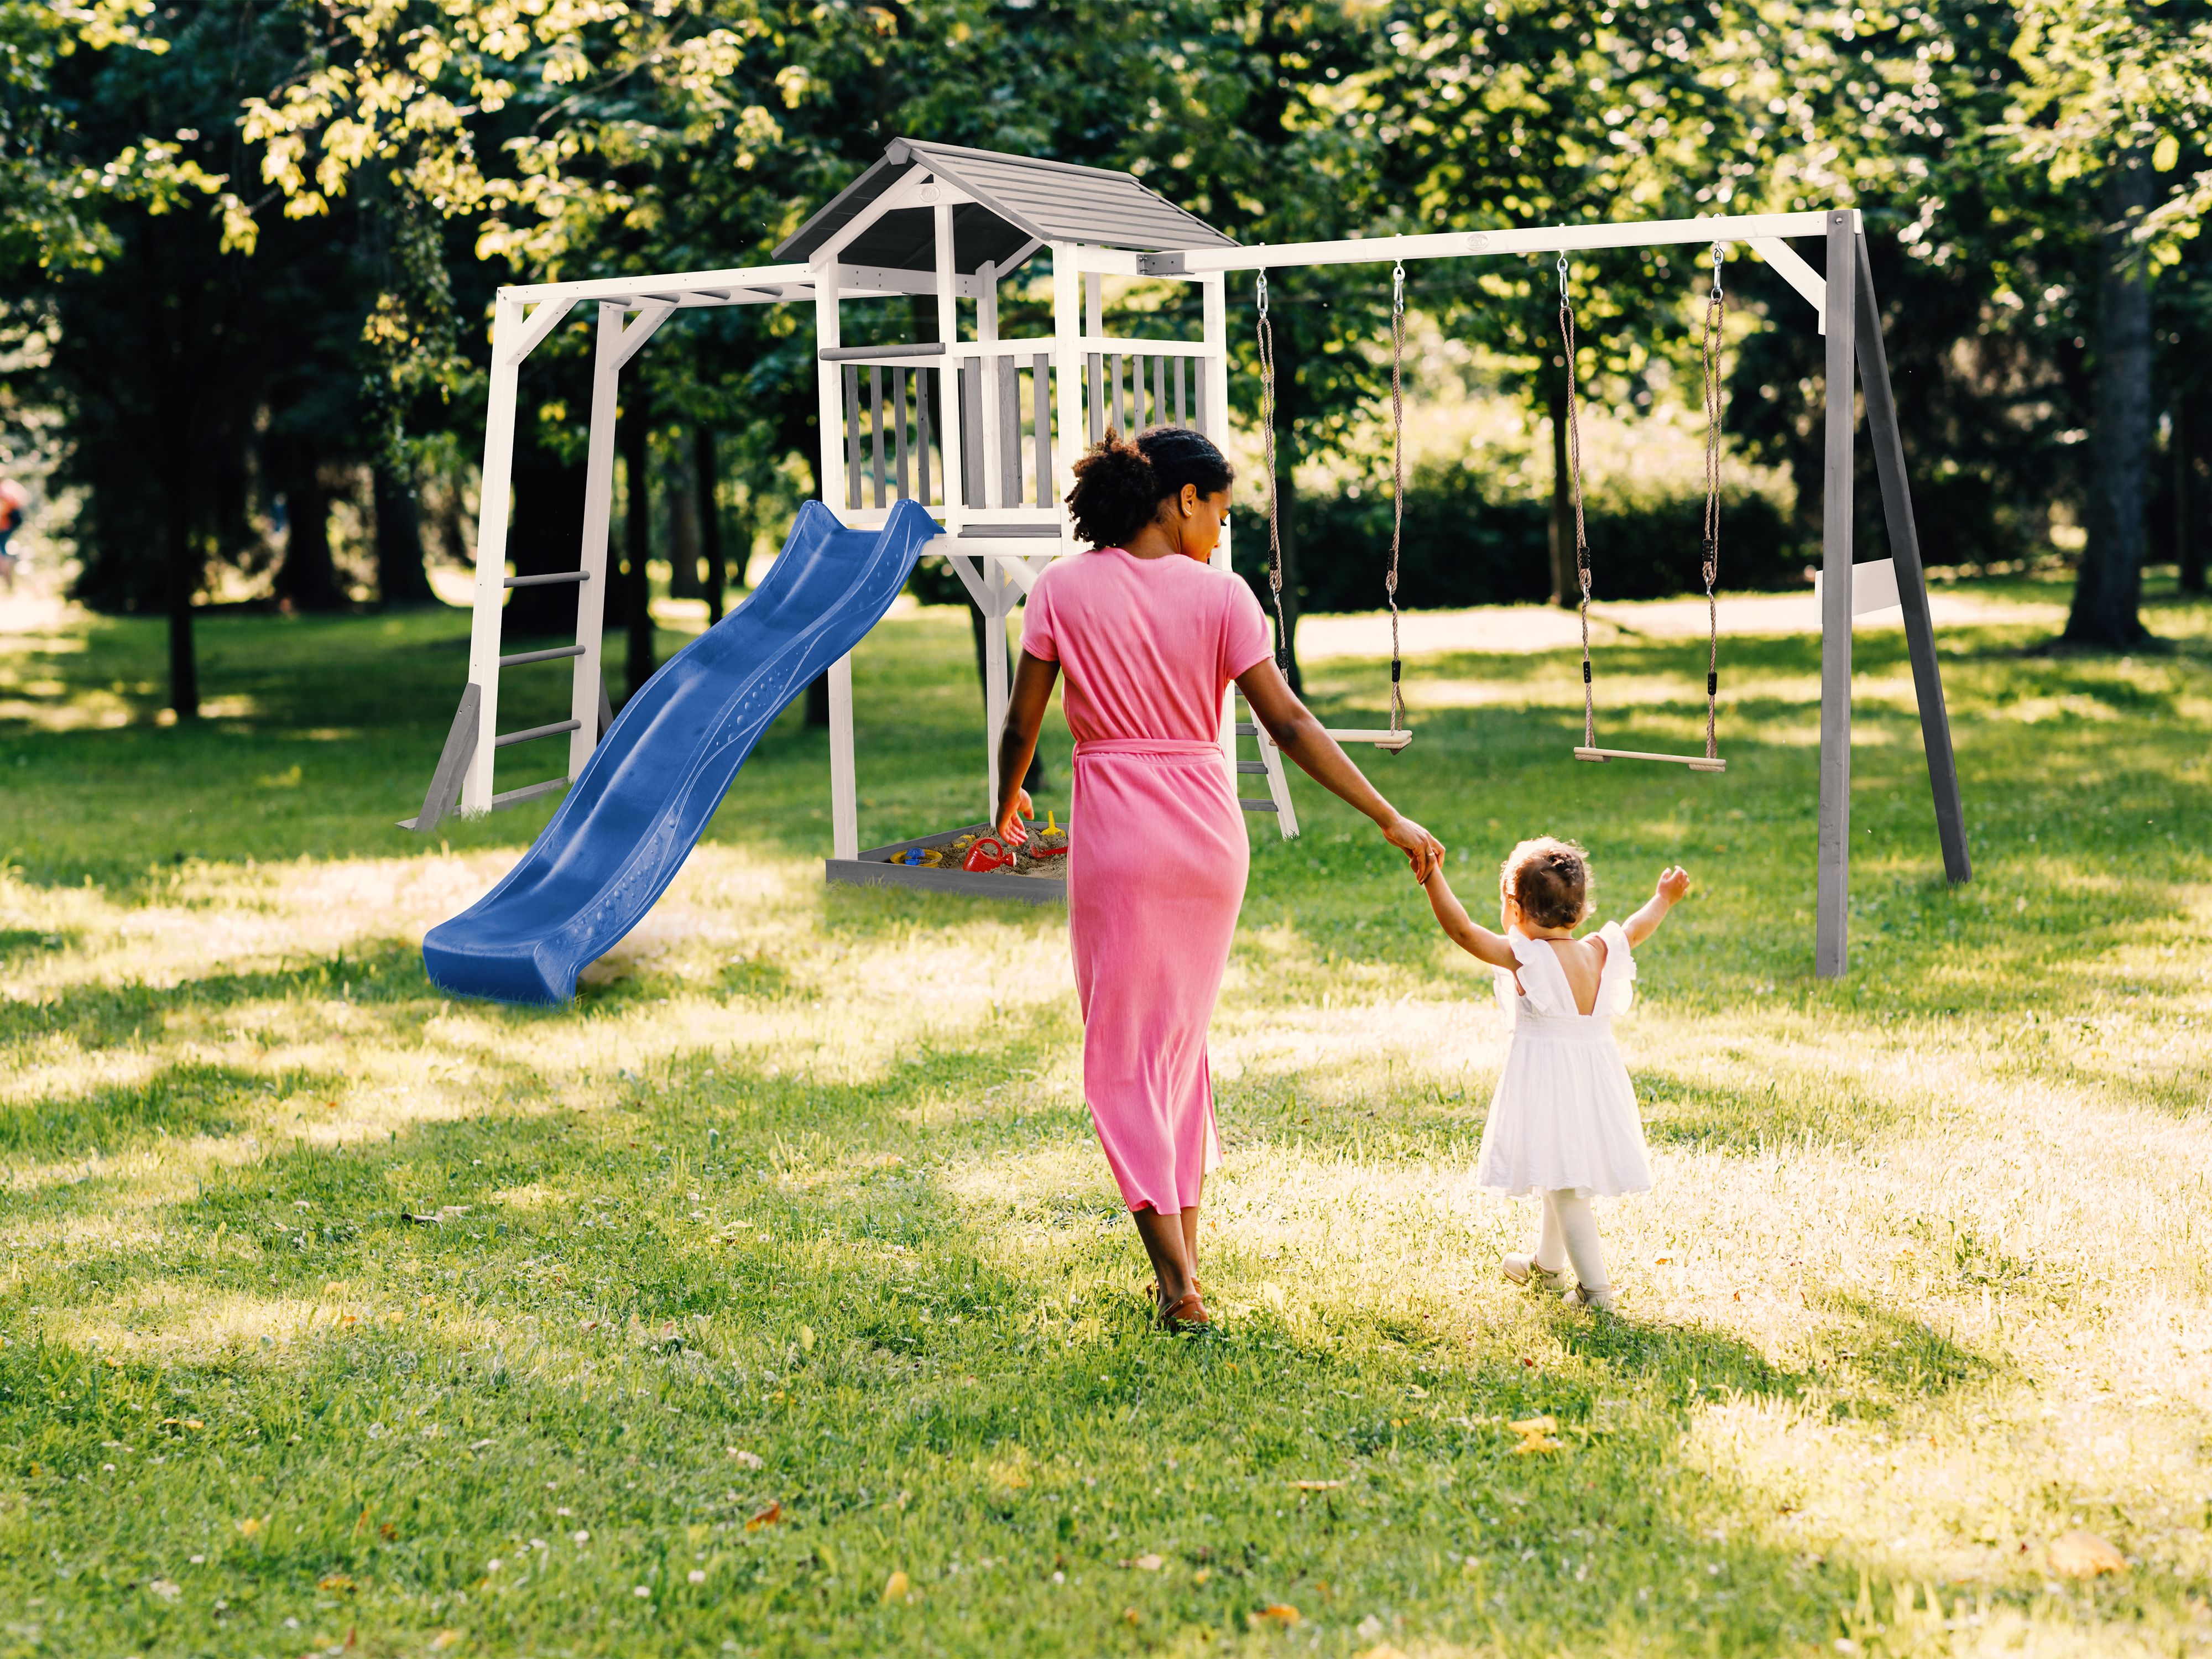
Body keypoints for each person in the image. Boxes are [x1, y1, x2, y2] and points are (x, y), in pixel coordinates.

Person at [993, 426, 1444, 1332]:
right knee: (1175, 1052)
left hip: (1120, 838)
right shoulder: (1225, 598)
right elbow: (1290, 724)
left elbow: (1021, 724)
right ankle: (1186, 1267)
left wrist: (1004, 806)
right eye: (1221, 512)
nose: (1222, 532)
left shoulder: (1061, 589)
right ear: (1182, 498)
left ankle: (1177, 1285)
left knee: (1123, 1059)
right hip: (1207, 839)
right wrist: (1386, 814)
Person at [1418, 837, 1691, 1312]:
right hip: (1594, 1082)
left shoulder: (1527, 958)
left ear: (1515, 908)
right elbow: (1636, 927)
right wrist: (1663, 898)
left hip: (1550, 1084)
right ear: (1581, 911)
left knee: (1565, 1188)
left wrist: (1431, 875)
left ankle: (1595, 1292)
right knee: (1556, 1169)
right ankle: (1547, 1267)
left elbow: (1462, 931)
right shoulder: (1598, 951)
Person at [0, 478, 27, 595]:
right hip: (11, 522)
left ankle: (6, 573)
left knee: (2, 549)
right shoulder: (8, 486)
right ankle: (7, 575)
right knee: (3, 549)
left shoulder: (4, 491)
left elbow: (5, 509)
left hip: (8, 523)